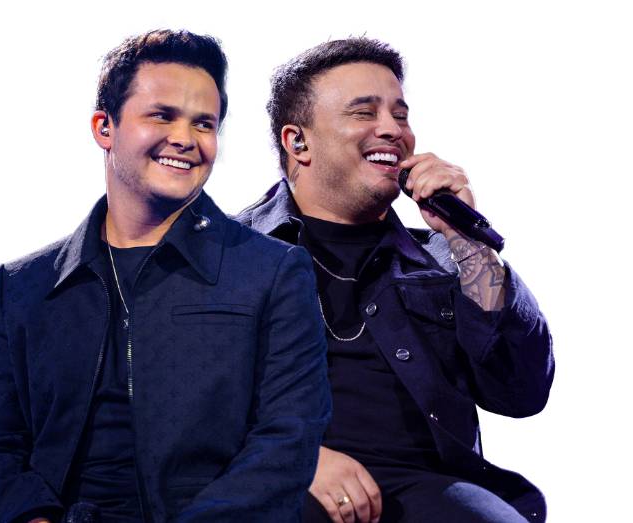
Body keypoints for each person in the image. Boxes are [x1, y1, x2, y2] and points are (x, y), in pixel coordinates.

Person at [0, 29, 331, 523]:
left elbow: (287, 443)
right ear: (104, 127)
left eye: (204, 124)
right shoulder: (22, 285)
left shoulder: (273, 272)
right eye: (162, 115)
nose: (185, 139)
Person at [236, 38, 554, 523]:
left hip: (428, 489)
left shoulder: (449, 258)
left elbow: (521, 391)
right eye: (364, 113)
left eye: (400, 116)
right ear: (298, 142)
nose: (392, 130)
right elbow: (164, 400)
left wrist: (466, 238)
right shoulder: (223, 255)